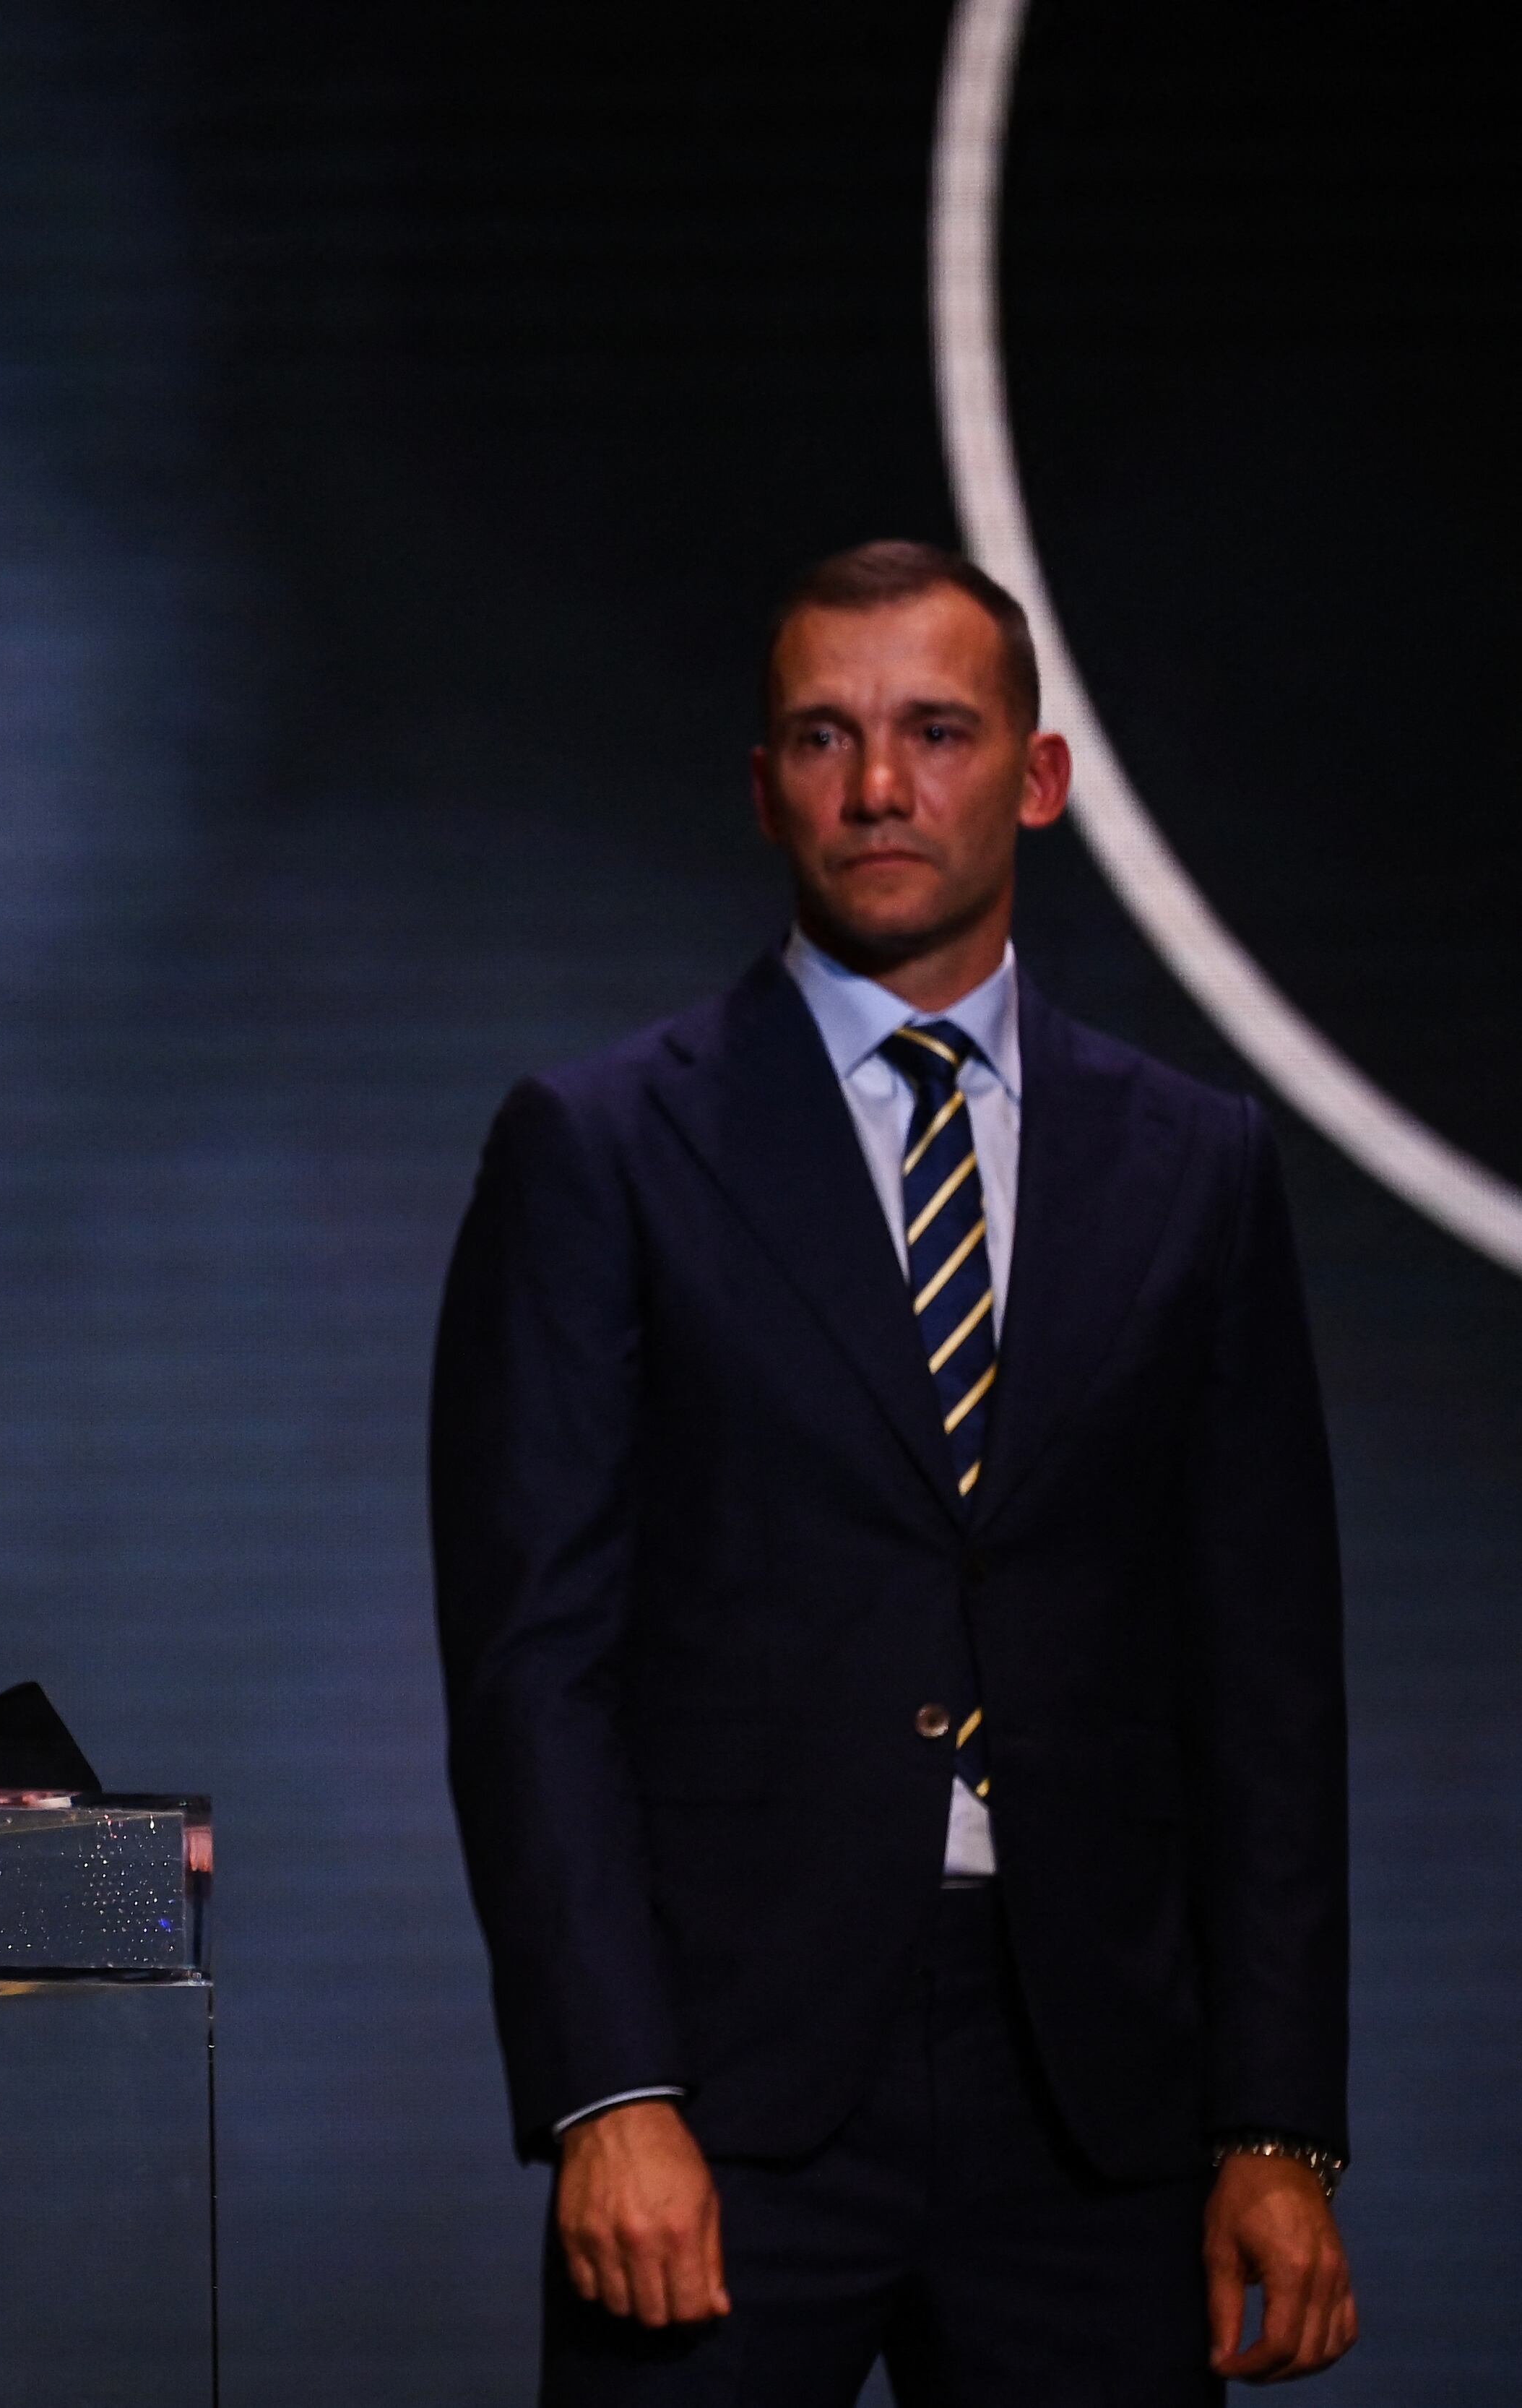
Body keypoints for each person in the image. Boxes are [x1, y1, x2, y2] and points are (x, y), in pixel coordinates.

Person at [429, 540, 1355, 2402]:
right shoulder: (602, 1148)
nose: (877, 786)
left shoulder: (1198, 1165)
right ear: (761, 783)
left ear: (1037, 775)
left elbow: (1262, 1681)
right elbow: (534, 1662)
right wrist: (611, 2089)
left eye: (936, 731)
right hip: (725, 2090)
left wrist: (1281, 2125)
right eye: (824, 736)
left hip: (1095, 2095)